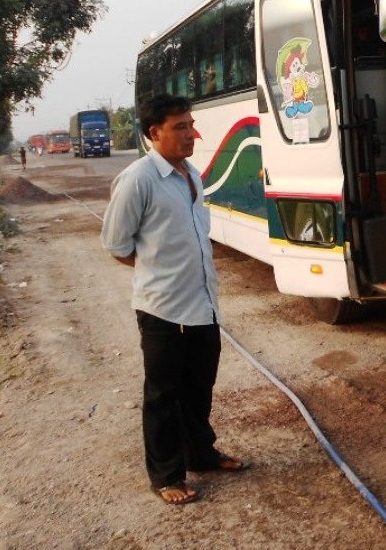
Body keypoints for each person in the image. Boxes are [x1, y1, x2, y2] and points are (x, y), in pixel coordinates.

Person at [100, 93, 250, 506]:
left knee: (199, 388)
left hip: (204, 305)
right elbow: (116, 244)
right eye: (180, 127)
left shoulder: (192, 174)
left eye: (191, 124)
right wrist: (157, 271)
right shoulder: (138, 179)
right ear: (154, 133)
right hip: (163, 309)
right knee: (163, 396)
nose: (191, 133)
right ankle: (166, 475)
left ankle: (201, 454)